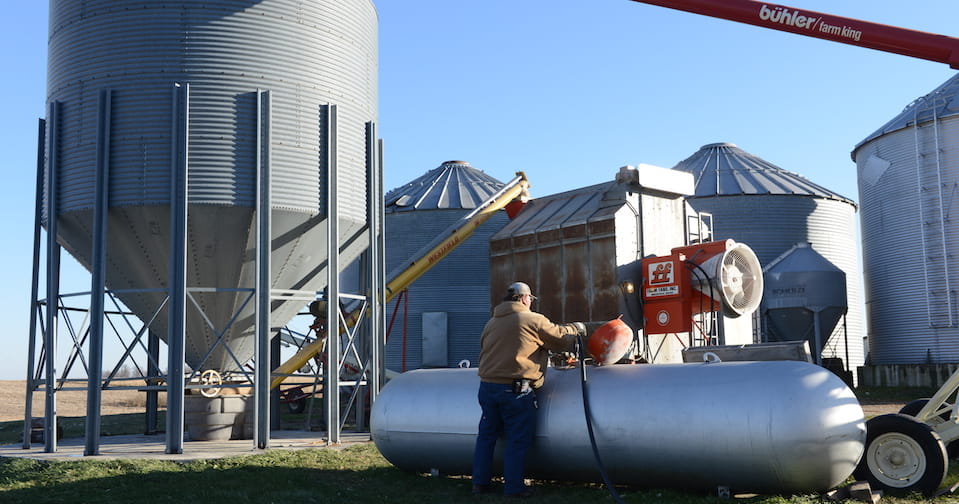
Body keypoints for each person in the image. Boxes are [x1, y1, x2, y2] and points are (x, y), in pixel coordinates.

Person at [471, 281, 587, 498]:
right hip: (515, 391)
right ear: (524, 298)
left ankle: (479, 483)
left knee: (486, 437)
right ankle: (514, 487)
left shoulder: (491, 323)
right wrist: (576, 328)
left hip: (487, 387)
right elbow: (560, 338)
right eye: (531, 299)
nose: (531, 303)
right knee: (518, 439)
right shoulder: (532, 319)